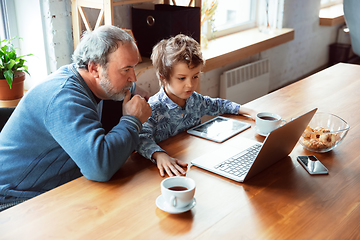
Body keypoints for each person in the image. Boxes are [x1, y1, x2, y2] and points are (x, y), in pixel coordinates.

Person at [0, 25, 152, 211]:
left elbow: (134, 92)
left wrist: (139, 95)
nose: (134, 78)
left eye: (134, 67)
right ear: (94, 68)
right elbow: (100, 167)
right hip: (14, 198)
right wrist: (132, 121)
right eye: (126, 69)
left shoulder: (96, 83)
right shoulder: (64, 97)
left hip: (57, 185)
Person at [136, 34, 257, 177]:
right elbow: (141, 137)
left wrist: (251, 112)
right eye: (182, 78)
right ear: (163, 77)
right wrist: (159, 155)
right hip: (165, 172)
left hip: (193, 165)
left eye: (195, 76)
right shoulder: (152, 108)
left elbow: (217, 104)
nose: (190, 84)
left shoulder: (194, 100)